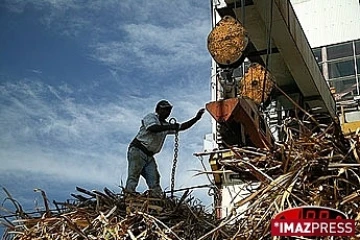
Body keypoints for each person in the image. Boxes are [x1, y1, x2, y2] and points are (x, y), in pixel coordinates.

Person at [125, 99, 205, 196]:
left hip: (149, 155)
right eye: (165, 110)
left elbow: (183, 126)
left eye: (168, 110)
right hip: (138, 150)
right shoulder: (151, 117)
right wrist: (170, 127)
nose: (167, 112)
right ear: (158, 110)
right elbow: (152, 128)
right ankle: (129, 194)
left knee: (154, 178)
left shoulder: (166, 125)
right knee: (134, 174)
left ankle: (157, 197)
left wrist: (196, 118)